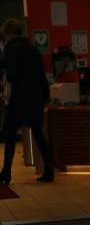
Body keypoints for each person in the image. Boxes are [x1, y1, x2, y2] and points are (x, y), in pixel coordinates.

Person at [0, 19, 53, 184]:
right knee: (39, 135)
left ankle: (6, 173)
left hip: (18, 99)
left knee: (9, 136)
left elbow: (13, 73)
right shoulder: (33, 49)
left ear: (8, 33)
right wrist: (45, 97)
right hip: (35, 98)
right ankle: (49, 171)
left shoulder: (10, 49)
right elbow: (41, 76)